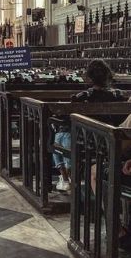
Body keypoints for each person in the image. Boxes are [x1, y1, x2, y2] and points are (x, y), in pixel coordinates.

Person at [52, 60, 126, 192]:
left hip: (89, 141)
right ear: (108, 76)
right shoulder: (119, 95)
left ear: (90, 78)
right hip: (114, 138)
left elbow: (65, 116)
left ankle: (65, 177)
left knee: (59, 134)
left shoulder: (83, 96)